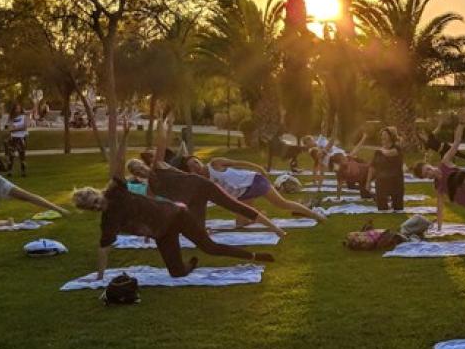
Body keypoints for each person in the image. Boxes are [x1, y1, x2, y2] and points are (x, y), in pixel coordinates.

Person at [74, 127, 275, 280]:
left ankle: (255, 256)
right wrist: (100, 277)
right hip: (162, 233)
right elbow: (103, 250)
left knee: (209, 247)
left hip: (175, 215)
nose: (97, 205)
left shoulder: (115, 190)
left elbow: (117, 163)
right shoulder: (108, 221)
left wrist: (125, 136)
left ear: (96, 193)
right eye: (93, 207)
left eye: (95, 200)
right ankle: (190, 265)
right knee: (176, 273)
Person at [129, 115, 294, 234]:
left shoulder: (157, 169)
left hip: (199, 187)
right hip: (194, 193)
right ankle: (267, 224)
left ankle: (275, 228)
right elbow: (150, 205)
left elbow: (161, 145)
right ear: (139, 172)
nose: (141, 170)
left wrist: (166, 124)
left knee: (234, 206)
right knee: (206, 220)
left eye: (139, 167)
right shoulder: (154, 174)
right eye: (138, 169)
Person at [184, 155, 324, 221]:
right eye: (192, 166)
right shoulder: (201, 181)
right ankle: (259, 213)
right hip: (243, 194)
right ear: (190, 170)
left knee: (282, 204)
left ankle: (315, 215)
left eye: (195, 162)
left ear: (199, 160)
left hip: (254, 181)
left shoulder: (215, 163)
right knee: (239, 224)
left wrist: (258, 168)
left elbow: (239, 161)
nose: (195, 166)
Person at [413, 123, 465, 231]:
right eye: (426, 175)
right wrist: (439, 228)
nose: (430, 173)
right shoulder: (438, 186)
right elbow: (440, 206)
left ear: (429, 164)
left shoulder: (445, 163)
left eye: (428, 169)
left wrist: (460, 123)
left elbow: (456, 143)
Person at [371, 126, 406, 211]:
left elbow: (389, 153)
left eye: (385, 134)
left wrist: (381, 150)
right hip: (381, 181)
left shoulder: (396, 148)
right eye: (382, 135)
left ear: (391, 136)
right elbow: (372, 167)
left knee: (398, 209)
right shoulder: (378, 152)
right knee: (382, 209)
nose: (383, 136)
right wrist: (368, 182)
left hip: (395, 181)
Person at [4, 102, 30, 177]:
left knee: (22, 154)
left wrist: (15, 128)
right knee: (11, 155)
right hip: (13, 138)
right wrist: (14, 129)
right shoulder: (11, 117)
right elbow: (9, 128)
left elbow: (25, 126)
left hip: (22, 137)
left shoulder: (24, 116)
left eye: (19, 108)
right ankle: (9, 171)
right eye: (16, 108)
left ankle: (23, 171)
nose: (17, 110)